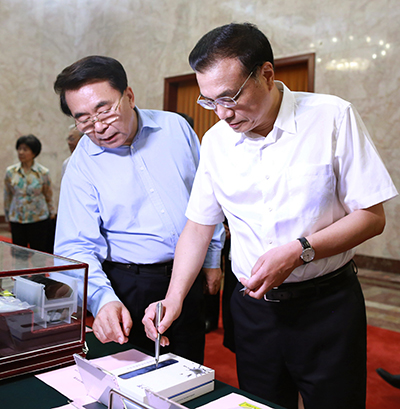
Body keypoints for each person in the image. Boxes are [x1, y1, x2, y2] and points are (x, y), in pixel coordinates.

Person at [142, 23, 398, 409]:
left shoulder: (332, 117)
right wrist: (173, 298)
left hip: (326, 305)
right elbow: (198, 226)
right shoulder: (215, 142)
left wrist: (300, 251)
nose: (223, 114)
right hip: (252, 310)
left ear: (266, 74)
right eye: (210, 102)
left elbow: (371, 216)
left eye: (230, 97)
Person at [53, 55, 224, 364]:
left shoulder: (176, 129)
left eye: (105, 110)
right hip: (130, 285)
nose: (99, 127)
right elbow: (76, 244)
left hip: (189, 275)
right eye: (85, 120)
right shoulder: (80, 165)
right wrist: (102, 301)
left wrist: (211, 258)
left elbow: (209, 197)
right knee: (134, 379)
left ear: (129, 96)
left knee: (190, 370)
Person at [4, 134, 55, 253]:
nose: (21, 152)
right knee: (19, 254)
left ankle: (39, 273)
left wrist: (52, 213)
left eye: (25, 149)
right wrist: (8, 216)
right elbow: (8, 195)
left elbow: (48, 194)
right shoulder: (11, 172)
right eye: (19, 149)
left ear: (34, 153)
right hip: (17, 219)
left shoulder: (43, 172)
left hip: (38, 219)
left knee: (39, 253)